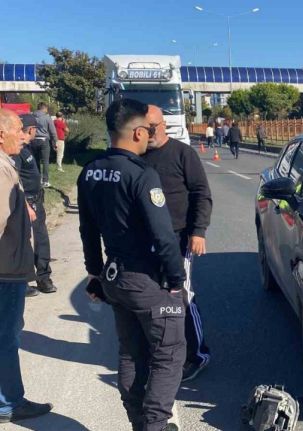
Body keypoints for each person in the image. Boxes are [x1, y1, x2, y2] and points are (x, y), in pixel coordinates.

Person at [77, 99, 185, 431]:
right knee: (169, 356)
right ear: (138, 132)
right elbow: (163, 235)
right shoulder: (141, 174)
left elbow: (87, 229)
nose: (152, 135)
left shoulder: (90, 171)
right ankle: (155, 426)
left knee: (130, 354)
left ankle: (139, 422)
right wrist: (176, 278)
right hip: (147, 280)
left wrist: (95, 274)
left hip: (114, 277)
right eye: (151, 130)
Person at [142, 105, 213, 382]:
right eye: (141, 128)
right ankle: (163, 350)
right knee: (151, 296)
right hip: (145, 239)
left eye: (151, 128)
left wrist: (198, 231)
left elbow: (201, 193)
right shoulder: (138, 157)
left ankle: (197, 354)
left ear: (162, 126)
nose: (146, 134)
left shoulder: (183, 154)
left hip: (178, 237)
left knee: (181, 295)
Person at [0, 108, 53, 424]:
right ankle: (9, 402)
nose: (25, 136)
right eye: (19, 129)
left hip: (7, 268)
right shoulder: (2, 170)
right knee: (6, 337)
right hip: (5, 271)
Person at [13, 114, 57, 296]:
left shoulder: (27, 148)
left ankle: (42, 277)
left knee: (40, 240)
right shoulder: (17, 151)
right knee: (27, 242)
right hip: (27, 202)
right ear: (32, 130)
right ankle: (25, 281)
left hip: (36, 199)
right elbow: (15, 181)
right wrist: (26, 205)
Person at [31, 102, 57, 187]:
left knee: (35, 160)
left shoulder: (32, 116)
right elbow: (53, 131)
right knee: (45, 161)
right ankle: (45, 181)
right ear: (44, 108)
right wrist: (54, 142)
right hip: (44, 140)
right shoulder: (47, 117)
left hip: (33, 140)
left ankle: (37, 179)